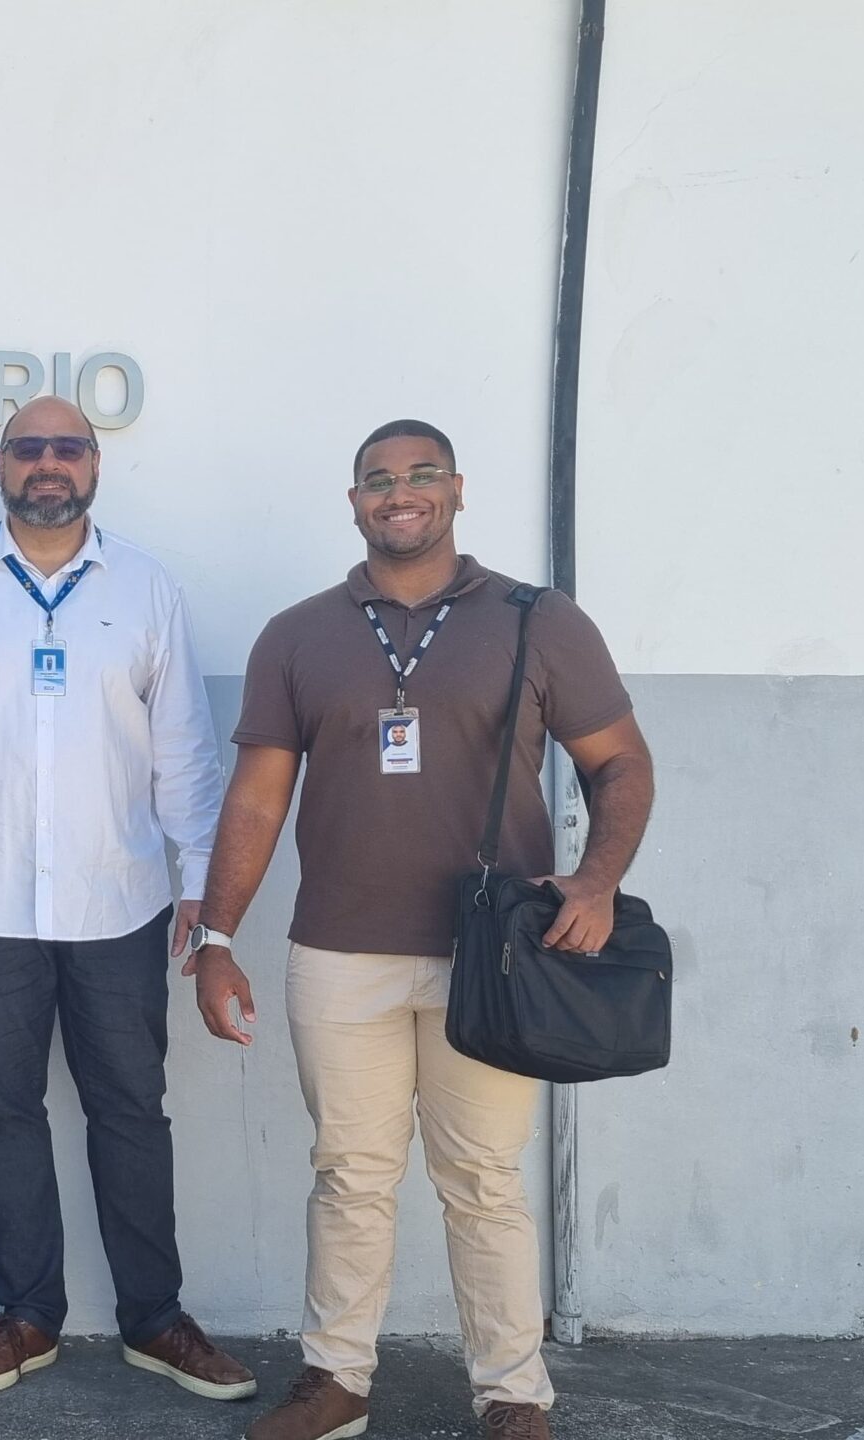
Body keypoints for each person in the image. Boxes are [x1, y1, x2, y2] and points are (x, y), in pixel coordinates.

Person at [193, 420, 654, 1440]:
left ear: (455, 490)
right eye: (377, 480)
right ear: (352, 502)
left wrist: (597, 878)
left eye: (419, 475)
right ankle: (336, 1383)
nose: (398, 493)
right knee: (348, 1176)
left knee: (482, 1182)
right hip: (337, 953)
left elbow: (619, 762)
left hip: (491, 958)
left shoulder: (539, 622)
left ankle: (511, 1395)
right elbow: (258, 800)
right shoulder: (298, 634)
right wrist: (214, 938)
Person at [0, 396, 255, 1402]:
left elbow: (188, 765)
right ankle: (26, 1314)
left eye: (66, 448)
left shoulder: (146, 590)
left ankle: (154, 1320)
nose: (47, 464)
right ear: (2, 465)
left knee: (130, 1109)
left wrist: (202, 907)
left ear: (94, 466)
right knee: (3, 1109)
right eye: (28, 448)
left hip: (116, 904)